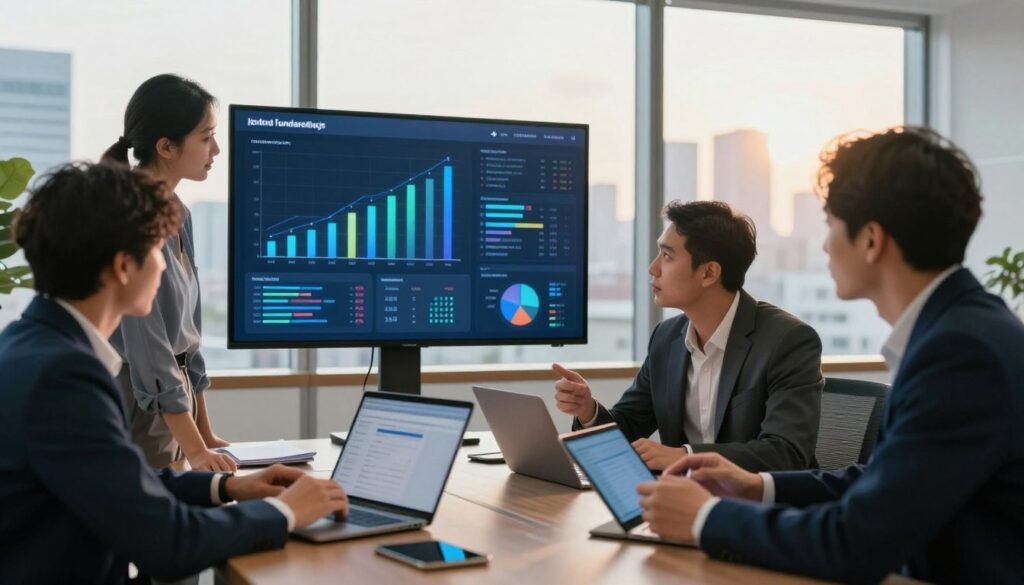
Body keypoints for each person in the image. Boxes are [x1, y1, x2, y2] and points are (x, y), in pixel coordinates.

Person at [637, 127, 1024, 584]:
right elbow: (885, 480)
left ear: (871, 240)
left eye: (831, 225)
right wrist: (757, 485)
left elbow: (853, 543)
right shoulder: (962, 327)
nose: (824, 244)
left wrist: (705, 519)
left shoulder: (960, 353)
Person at [0, 163, 348, 584]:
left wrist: (229, 488)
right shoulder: (63, 376)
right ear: (123, 266)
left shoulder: (29, 346)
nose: (165, 268)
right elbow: (168, 542)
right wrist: (287, 510)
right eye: (157, 250)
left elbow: (118, 485)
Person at [554, 200, 823, 472]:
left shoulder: (788, 341)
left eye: (667, 256)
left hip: (760, 508)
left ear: (708, 273)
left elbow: (785, 452)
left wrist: (685, 456)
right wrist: (587, 410)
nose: (653, 268)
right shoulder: (666, 338)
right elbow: (628, 429)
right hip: (686, 502)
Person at [101, 74, 234, 472]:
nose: (216, 149)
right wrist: (195, 448)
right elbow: (151, 351)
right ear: (166, 147)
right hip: (138, 406)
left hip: (175, 414)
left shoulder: (179, 213)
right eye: (205, 137)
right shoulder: (133, 218)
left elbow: (188, 345)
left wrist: (205, 436)